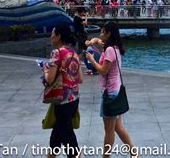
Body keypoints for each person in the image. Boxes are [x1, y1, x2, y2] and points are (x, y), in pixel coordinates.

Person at [85, 22, 136, 158]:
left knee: (109, 130)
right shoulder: (115, 48)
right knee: (118, 127)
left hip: (111, 93)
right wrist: (92, 41)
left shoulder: (109, 50)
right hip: (116, 90)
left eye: (102, 32)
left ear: (108, 34)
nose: (101, 34)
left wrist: (92, 60)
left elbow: (103, 71)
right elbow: (97, 41)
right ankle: (134, 154)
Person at [43, 23, 83, 158]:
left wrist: (45, 70)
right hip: (73, 99)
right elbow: (80, 78)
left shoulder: (57, 52)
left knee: (68, 139)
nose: (51, 37)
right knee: (57, 137)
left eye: (52, 35)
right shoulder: (74, 54)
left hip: (62, 100)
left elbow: (49, 79)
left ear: (58, 36)